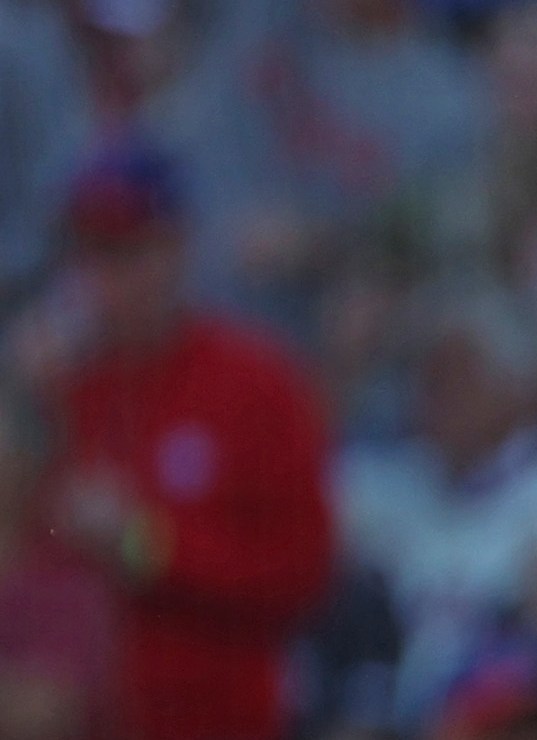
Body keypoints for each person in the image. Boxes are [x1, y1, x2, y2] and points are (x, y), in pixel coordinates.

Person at [47, 135, 335, 740]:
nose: (103, 277)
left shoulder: (254, 380)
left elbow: (301, 571)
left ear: (176, 248)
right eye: (89, 253)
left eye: (126, 251)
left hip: (220, 715)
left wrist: (143, 544)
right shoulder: (61, 387)